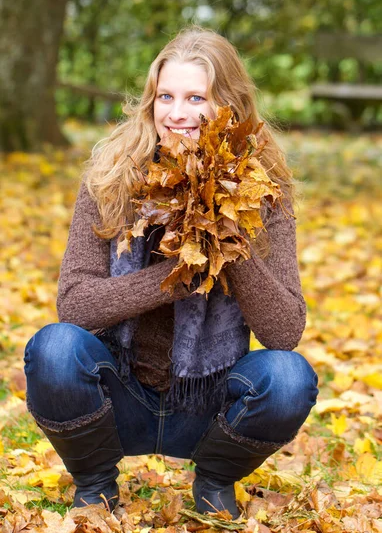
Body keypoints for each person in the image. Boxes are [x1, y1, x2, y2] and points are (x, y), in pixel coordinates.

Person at [24, 26, 318, 517]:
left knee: (289, 378)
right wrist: (170, 280)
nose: (176, 114)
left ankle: (215, 481)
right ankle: (96, 484)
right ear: (150, 102)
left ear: (229, 106)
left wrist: (228, 242)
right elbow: (74, 303)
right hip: (118, 395)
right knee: (54, 348)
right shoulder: (112, 177)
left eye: (195, 97)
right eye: (165, 96)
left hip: (209, 404)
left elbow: (286, 330)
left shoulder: (262, 193)